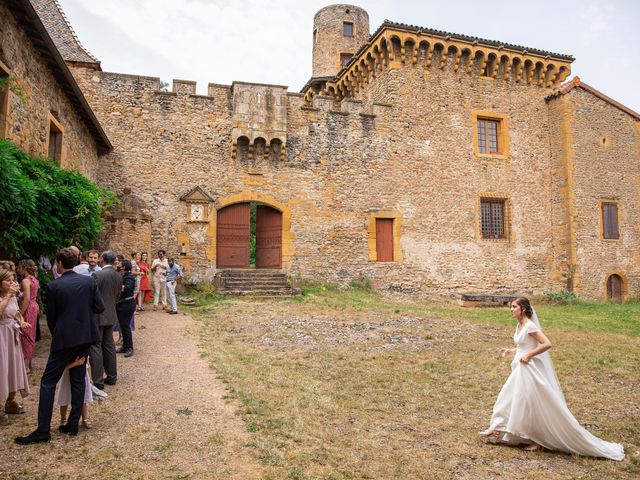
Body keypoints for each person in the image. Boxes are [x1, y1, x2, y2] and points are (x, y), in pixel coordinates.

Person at [480, 297, 625, 461]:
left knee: (525, 401)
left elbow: (546, 344)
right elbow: (524, 345)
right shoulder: (519, 325)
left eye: (514, 307)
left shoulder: (530, 325)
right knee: (513, 399)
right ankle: (499, 428)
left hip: (528, 369)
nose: (511, 309)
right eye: (511, 307)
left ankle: (529, 437)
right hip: (519, 367)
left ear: (524, 309)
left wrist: (528, 355)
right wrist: (512, 351)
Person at [15, 248, 104, 444]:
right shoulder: (89, 281)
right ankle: (72, 424)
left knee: (48, 382)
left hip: (65, 338)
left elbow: (52, 317)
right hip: (85, 336)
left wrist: (59, 333)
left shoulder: (55, 286)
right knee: (78, 378)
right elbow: (99, 307)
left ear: (59, 264)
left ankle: (43, 430)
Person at [0, 266, 31, 422]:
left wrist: (21, 321)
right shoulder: (5, 296)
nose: (12, 283)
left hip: (12, 334)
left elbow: (16, 312)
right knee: (2, 367)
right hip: (1, 335)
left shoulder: (12, 296)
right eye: (8, 280)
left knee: (13, 368)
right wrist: (7, 296)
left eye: (13, 280)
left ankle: (10, 400)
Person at [90, 251, 122, 389]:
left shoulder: (97, 275)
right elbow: (117, 295)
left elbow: (91, 296)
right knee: (109, 345)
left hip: (97, 315)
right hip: (111, 313)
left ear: (102, 259)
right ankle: (112, 376)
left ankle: (97, 381)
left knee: (96, 346)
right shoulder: (117, 275)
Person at [56, 356, 93, 429]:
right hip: (67, 376)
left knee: (83, 398)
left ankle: (84, 419)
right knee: (65, 397)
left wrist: (90, 378)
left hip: (82, 375)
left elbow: (88, 364)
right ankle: (63, 419)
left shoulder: (84, 350)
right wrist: (75, 363)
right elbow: (62, 366)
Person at [17, 259, 40, 373]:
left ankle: (25, 366)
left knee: (26, 334)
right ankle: (28, 363)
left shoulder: (26, 280)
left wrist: (20, 313)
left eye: (19, 267)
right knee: (31, 334)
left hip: (28, 307)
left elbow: (26, 298)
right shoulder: (34, 279)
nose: (18, 269)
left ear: (24, 268)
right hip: (34, 305)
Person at [116, 260, 136, 357]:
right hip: (121, 303)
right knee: (122, 326)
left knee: (125, 326)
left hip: (127, 304)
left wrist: (116, 286)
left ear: (124, 267)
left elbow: (127, 288)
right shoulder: (122, 275)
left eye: (120, 264)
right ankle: (125, 346)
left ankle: (129, 348)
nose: (118, 264)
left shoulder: (129, 277)